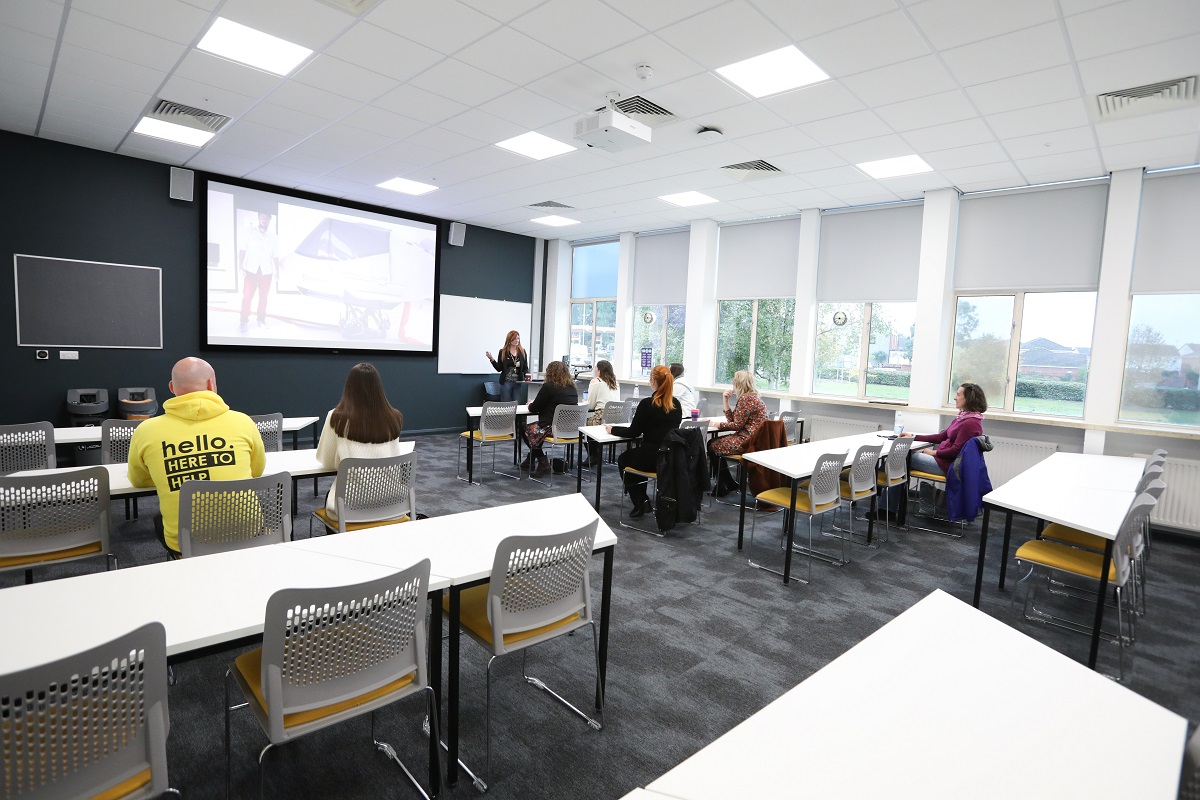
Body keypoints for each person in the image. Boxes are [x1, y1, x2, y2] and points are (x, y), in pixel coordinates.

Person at [127, 357, 266, 557]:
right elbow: (256, 471)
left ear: (172, 387)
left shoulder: (146, 430)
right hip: (248, 533)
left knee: (159, 519)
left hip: (187, 543)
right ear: (211, 384)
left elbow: (139, 481)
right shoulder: (243, 422)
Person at [315, 363, 404, 521]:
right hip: (392, 504)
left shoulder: (336, 417)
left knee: (330, 495)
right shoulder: (394, 416)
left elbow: (326, 462)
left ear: (349, 388)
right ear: (378, 388)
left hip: (349, 507)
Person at [608, 365, 682, 517]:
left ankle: (640, 500)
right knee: (636, 456)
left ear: (653, 380)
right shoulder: (676, 405)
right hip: (670, 457)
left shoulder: (647, 404)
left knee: (624, 459)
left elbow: (633, 432)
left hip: (652, 457)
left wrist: (612, 429)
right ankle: (641, 499)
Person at [901, 382, 988, 475]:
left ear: (969, 399)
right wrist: (913, 437)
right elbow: (941, 437)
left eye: (958, 395)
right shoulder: (962, 418)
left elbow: (956, 451)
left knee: (900, 458)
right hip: (942, 460)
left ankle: (895, 489)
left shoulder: (971, 423)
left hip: (947, 465)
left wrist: (933, 452)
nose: (955, 398)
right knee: (900, 457)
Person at [709, 370, 768, 495]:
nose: (732, 383)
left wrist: (716, 424)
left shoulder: (746, 399)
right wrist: (725, 401)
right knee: (714, 443)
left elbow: (736, 425)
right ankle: (727, 483)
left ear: (738, 383)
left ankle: (725, 484)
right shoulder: (752, 397)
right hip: (754, 439)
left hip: (747, 441)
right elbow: (734, 421)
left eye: (734, 380)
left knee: (712, 445)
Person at [524, 360, 577, 477]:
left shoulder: (548, 387)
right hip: (572, 429)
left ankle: (543, 463)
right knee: (536, 432)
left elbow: (534, 408)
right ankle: (530, 460)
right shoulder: (572, 388)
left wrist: (530, 403)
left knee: (525, 429)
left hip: (553, 428)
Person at [238, 211, 278, 332]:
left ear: (269, 220)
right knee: (247, 296)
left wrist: (278, 272)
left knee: (263, 298)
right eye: (262, 217)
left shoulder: (273, 236)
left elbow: (275, 255)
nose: (264, 219)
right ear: (259, 219)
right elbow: (242, 249)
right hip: (251, 270)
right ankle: (244, 320)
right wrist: (240, 266)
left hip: (266, 272)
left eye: (266, 218)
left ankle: (261, 319)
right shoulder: (249, 232)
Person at [585, 359, 620, 467]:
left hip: (601, 418)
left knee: (583, 424)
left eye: (595, 368)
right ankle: (594, 454)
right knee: (590, 423)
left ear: (599, 370)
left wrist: (585, 402)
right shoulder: (615, 383)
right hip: (616, 418)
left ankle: (593, 454)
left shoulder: (596, 381)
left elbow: (590, 405)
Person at [485, 330, 528, 403]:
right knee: (506, 405)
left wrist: (527, 377)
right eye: (514, 339)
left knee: (517, 404)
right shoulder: (503, 352)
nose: (516, 340)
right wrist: (491, 359)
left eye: (518, 338)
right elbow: (499, 368)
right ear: (509, 340)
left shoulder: (522, 351)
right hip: (506, 382)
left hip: (518, 382)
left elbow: (525, 367)